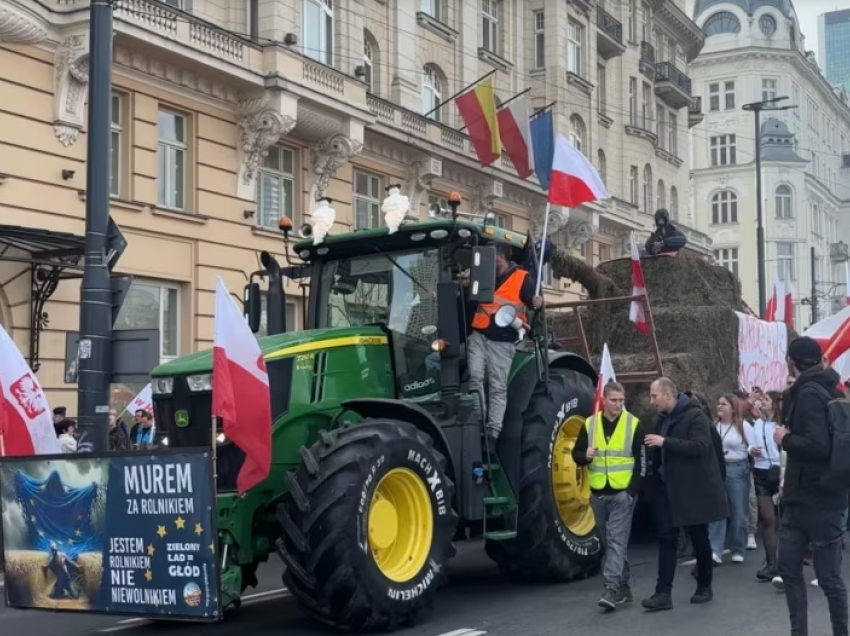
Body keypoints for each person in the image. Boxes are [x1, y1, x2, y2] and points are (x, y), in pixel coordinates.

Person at [775, 336, 848, 636]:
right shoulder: (832, 389)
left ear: (792, 361)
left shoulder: (807, 394)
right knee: (800, 570)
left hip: (811, 497)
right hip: (822, 496)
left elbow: (818, 446)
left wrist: (785, 439)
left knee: (820, 576)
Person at [642, 377, 728, 611]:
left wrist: (665, 442)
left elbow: (700, 447)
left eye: (654, 395)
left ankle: (704, 586)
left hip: (692, 489)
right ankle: (663, 593)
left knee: (699, 537)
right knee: (667, 538)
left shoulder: (695, 416)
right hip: (667, 489)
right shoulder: (660, 419)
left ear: (668, 395)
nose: (651, 401)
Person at [572, 381, 646, 611]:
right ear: (604, 400)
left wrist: (631, 492)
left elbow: (642, 463)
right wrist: (586, 455)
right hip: (598, 494)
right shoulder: (590, 424)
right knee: (610, 542)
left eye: (621, 400)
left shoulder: (634, 424)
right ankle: (624, 587)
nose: (618, 404)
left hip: (622, 495)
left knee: (616, 541)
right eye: (614, 400)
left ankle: (611, 588)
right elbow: (576, 455)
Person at [461, 242, 542, 446]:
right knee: (475, 378)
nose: (488, 260)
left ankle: (492, 433)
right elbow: (471, 303)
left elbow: (534, 302)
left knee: (497, 387)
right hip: (479, 335)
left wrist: (538, 302)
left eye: (492, 256)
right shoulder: (481, 276)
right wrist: (464, 285)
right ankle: (479, 424)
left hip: (503, 340)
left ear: (501, 257)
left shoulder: (522, 278)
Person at [709, 394, 754, 565]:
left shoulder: (743, 426)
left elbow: (752, 446)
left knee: (739, 511)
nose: (719, 406)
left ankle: (738, 547)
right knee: (717, 510)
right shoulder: (714, 426)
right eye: (718, 403)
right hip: (718, 469)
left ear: (733, 408)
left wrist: (752, 450)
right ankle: (715, 550)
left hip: (737, 468)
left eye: (724, 404)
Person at [751, 391, 783, 582]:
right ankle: (771, 563)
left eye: (766, 400)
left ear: (775, 404)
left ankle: (786, 561)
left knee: (785, 519)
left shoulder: (781, 424)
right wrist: (750, 450)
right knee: (768, 518)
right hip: (761, 471)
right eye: (761, 400)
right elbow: (751, 444)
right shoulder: (757, 423)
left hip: (780, 471)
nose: (762, 402)